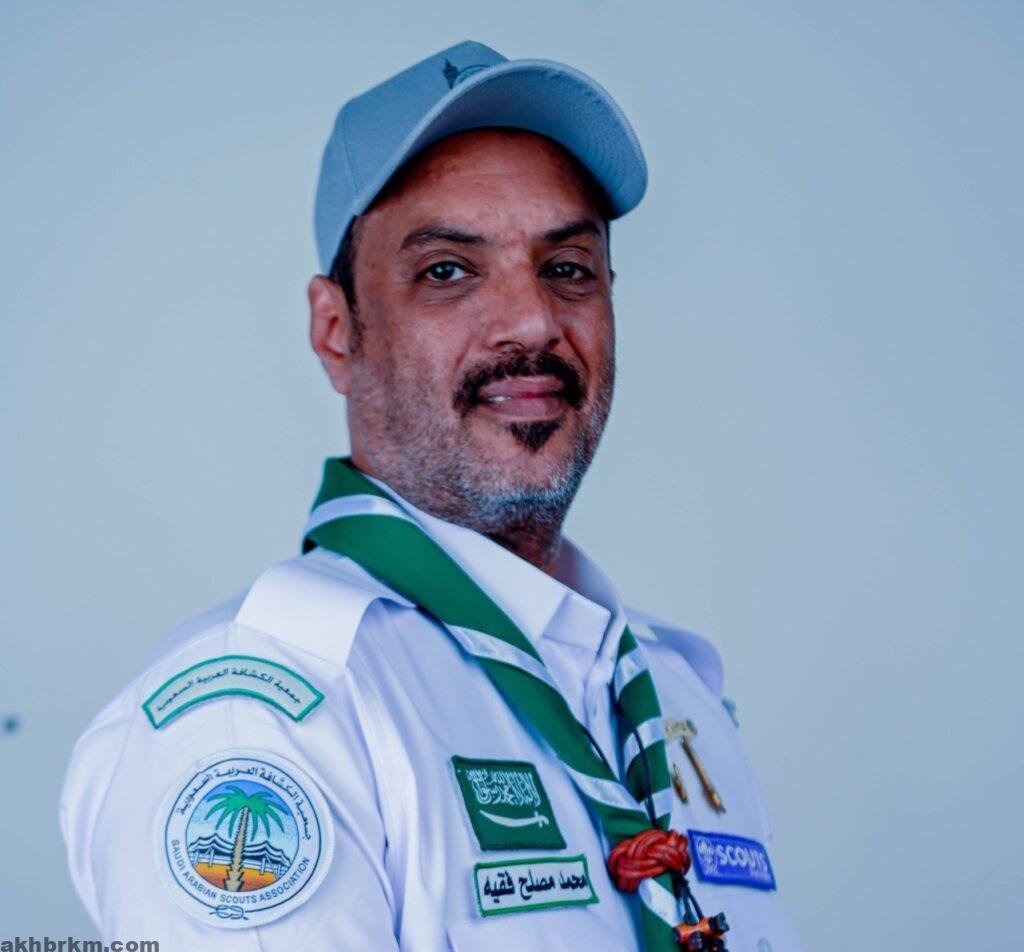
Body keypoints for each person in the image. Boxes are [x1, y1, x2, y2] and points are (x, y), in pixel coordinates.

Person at [60, 40, 802, 951]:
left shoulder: (669, 696)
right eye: (448, 270)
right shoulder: (258, 719)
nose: (532, 321)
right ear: (337, 332)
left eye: (567, 267)